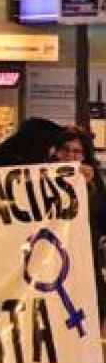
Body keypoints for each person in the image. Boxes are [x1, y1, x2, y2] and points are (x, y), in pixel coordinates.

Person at [53, 127, 106, 335]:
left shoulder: (93, 182)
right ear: (55, 152)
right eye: (65, 150)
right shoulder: (43, 178)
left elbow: (101, 215)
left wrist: (89, 187)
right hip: (55, 258)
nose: (70, 157)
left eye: (77, 152)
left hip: (86, 255)